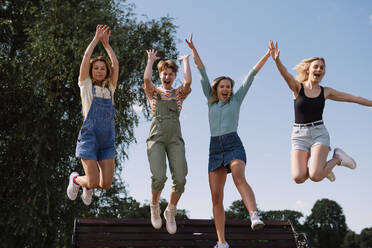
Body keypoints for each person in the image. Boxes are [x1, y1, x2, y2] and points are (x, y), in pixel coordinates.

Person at [186, 34, 270, 248]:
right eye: (222, 86)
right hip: (215, 148)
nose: (226, 89)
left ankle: (254, 215)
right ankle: (222, 242)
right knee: (216, 197)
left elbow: (251, 75)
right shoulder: (210, 102)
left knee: (239, 177)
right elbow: (202, 71)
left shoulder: (237, 99)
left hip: (233, 144)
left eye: (228, 87)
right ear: (216, 89)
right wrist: (194, 49)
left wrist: (268, 55)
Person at [268, 40, 372, 183]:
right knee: (298, 178)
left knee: (315, 176)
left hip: (319, 134)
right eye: (316, 67)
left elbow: (353, 98)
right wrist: (277, 61)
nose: (319, 69)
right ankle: (323, 168)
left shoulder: (326, 92)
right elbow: (285, 75)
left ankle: (336, 159)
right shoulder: (298, 88)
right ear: (308, 70)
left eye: (322, 68)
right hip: (299, 136)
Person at [67, 25, 119, 205]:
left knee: (105, 184)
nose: (99, 70)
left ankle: (88, 186)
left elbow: (116, 64)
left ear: (106, 72)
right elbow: (86, 57)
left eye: (102, 68)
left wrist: (107, 45)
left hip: (107, 139)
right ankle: (76, 180)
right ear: (90, 71)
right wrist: (95, 40)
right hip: (89, 137)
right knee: (93, 181)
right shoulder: (86, 86)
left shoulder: (110, 88)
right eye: (96, 68)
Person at [143, 49, 191, 234]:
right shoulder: (154, 93)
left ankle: (170, 210)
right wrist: (150, 61)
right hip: (156, 137)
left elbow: (187, 82)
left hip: (174, 139)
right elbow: (147, 80)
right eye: (164, 73)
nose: (167, 76)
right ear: (160, 75)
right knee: (159, 177)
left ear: (174, 76)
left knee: (180, 178)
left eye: (171, 74)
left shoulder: (178, 95)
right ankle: (154, 206)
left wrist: (186, 61)